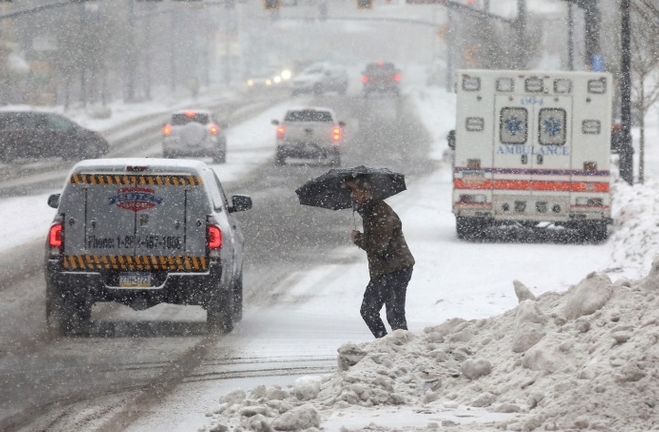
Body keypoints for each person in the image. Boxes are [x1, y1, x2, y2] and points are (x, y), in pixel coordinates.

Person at [345, 175, 415, 338]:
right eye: (351, 191)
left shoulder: (379, 211)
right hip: (389, 268)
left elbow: (378, 245)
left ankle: (389, 349)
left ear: (367, 191)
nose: (353, 195)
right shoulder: (371, 211)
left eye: (356, 191)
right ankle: (393, 349)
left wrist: (358, 238)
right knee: (393, 315)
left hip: (394, 269)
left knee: (375, 312)